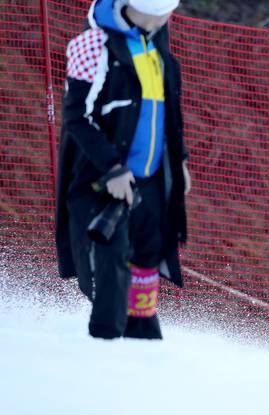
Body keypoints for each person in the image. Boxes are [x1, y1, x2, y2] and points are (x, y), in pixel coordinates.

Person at [55, 0, 190, 340]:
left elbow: (167, 112)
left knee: (150, 252)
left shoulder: (154, 42)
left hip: (153, 176)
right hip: (105, 178)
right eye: (160, 11)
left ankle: (141, 334)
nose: (166, 18)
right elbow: (77, 117)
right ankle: (106, 340)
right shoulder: (93, 46)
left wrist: (180, 161)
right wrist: (113, 170)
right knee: (111, 258)